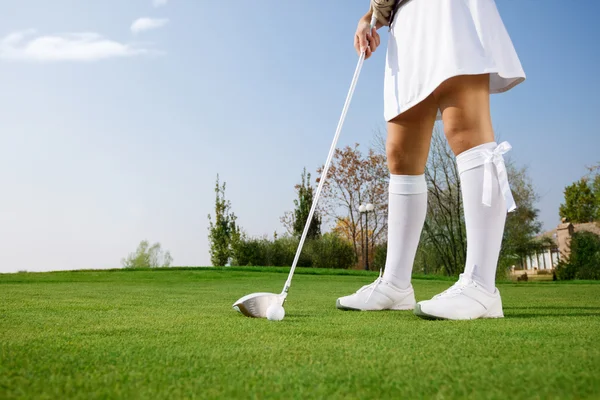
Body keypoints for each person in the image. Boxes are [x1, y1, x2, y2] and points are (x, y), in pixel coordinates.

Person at [336, 0, 525, 320]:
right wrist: (367, 19)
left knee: (465, 128)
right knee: (400, 154)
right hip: (407, 22)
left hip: (448, 7)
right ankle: (396, 285)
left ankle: (482, 286)